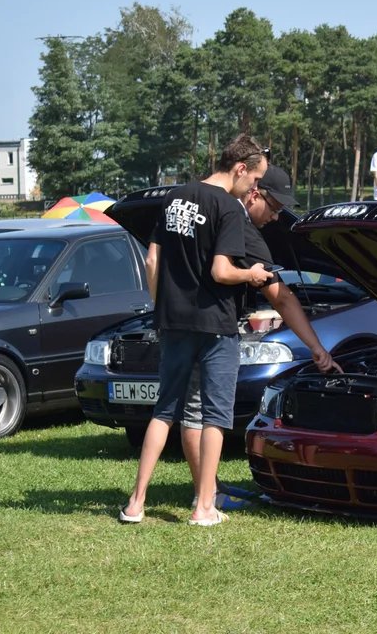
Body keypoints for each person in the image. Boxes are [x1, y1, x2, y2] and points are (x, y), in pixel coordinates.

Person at [120, 134, 272, 527]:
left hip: (173, 322)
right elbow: (222, 272)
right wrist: (252, 274)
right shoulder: (229, 208)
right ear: (240, 169)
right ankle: (204, 508)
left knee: (163, 410)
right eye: (254, 181)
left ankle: (136, 503)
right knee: (215, 417)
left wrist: (162, 306)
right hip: (216, 325)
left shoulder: (173, 197)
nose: (254, 190)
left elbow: (152, 260)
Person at [183, 164, 345, 514]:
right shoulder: (241, 227)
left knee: (190, 412)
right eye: (273, 208)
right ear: (254, 193)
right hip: (215, 330)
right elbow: (281, 298)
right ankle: (206, 499)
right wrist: (318, 349)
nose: (274, 217)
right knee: (209, 415)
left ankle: (203, 490)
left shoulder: (201, 207)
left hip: (181, 325)